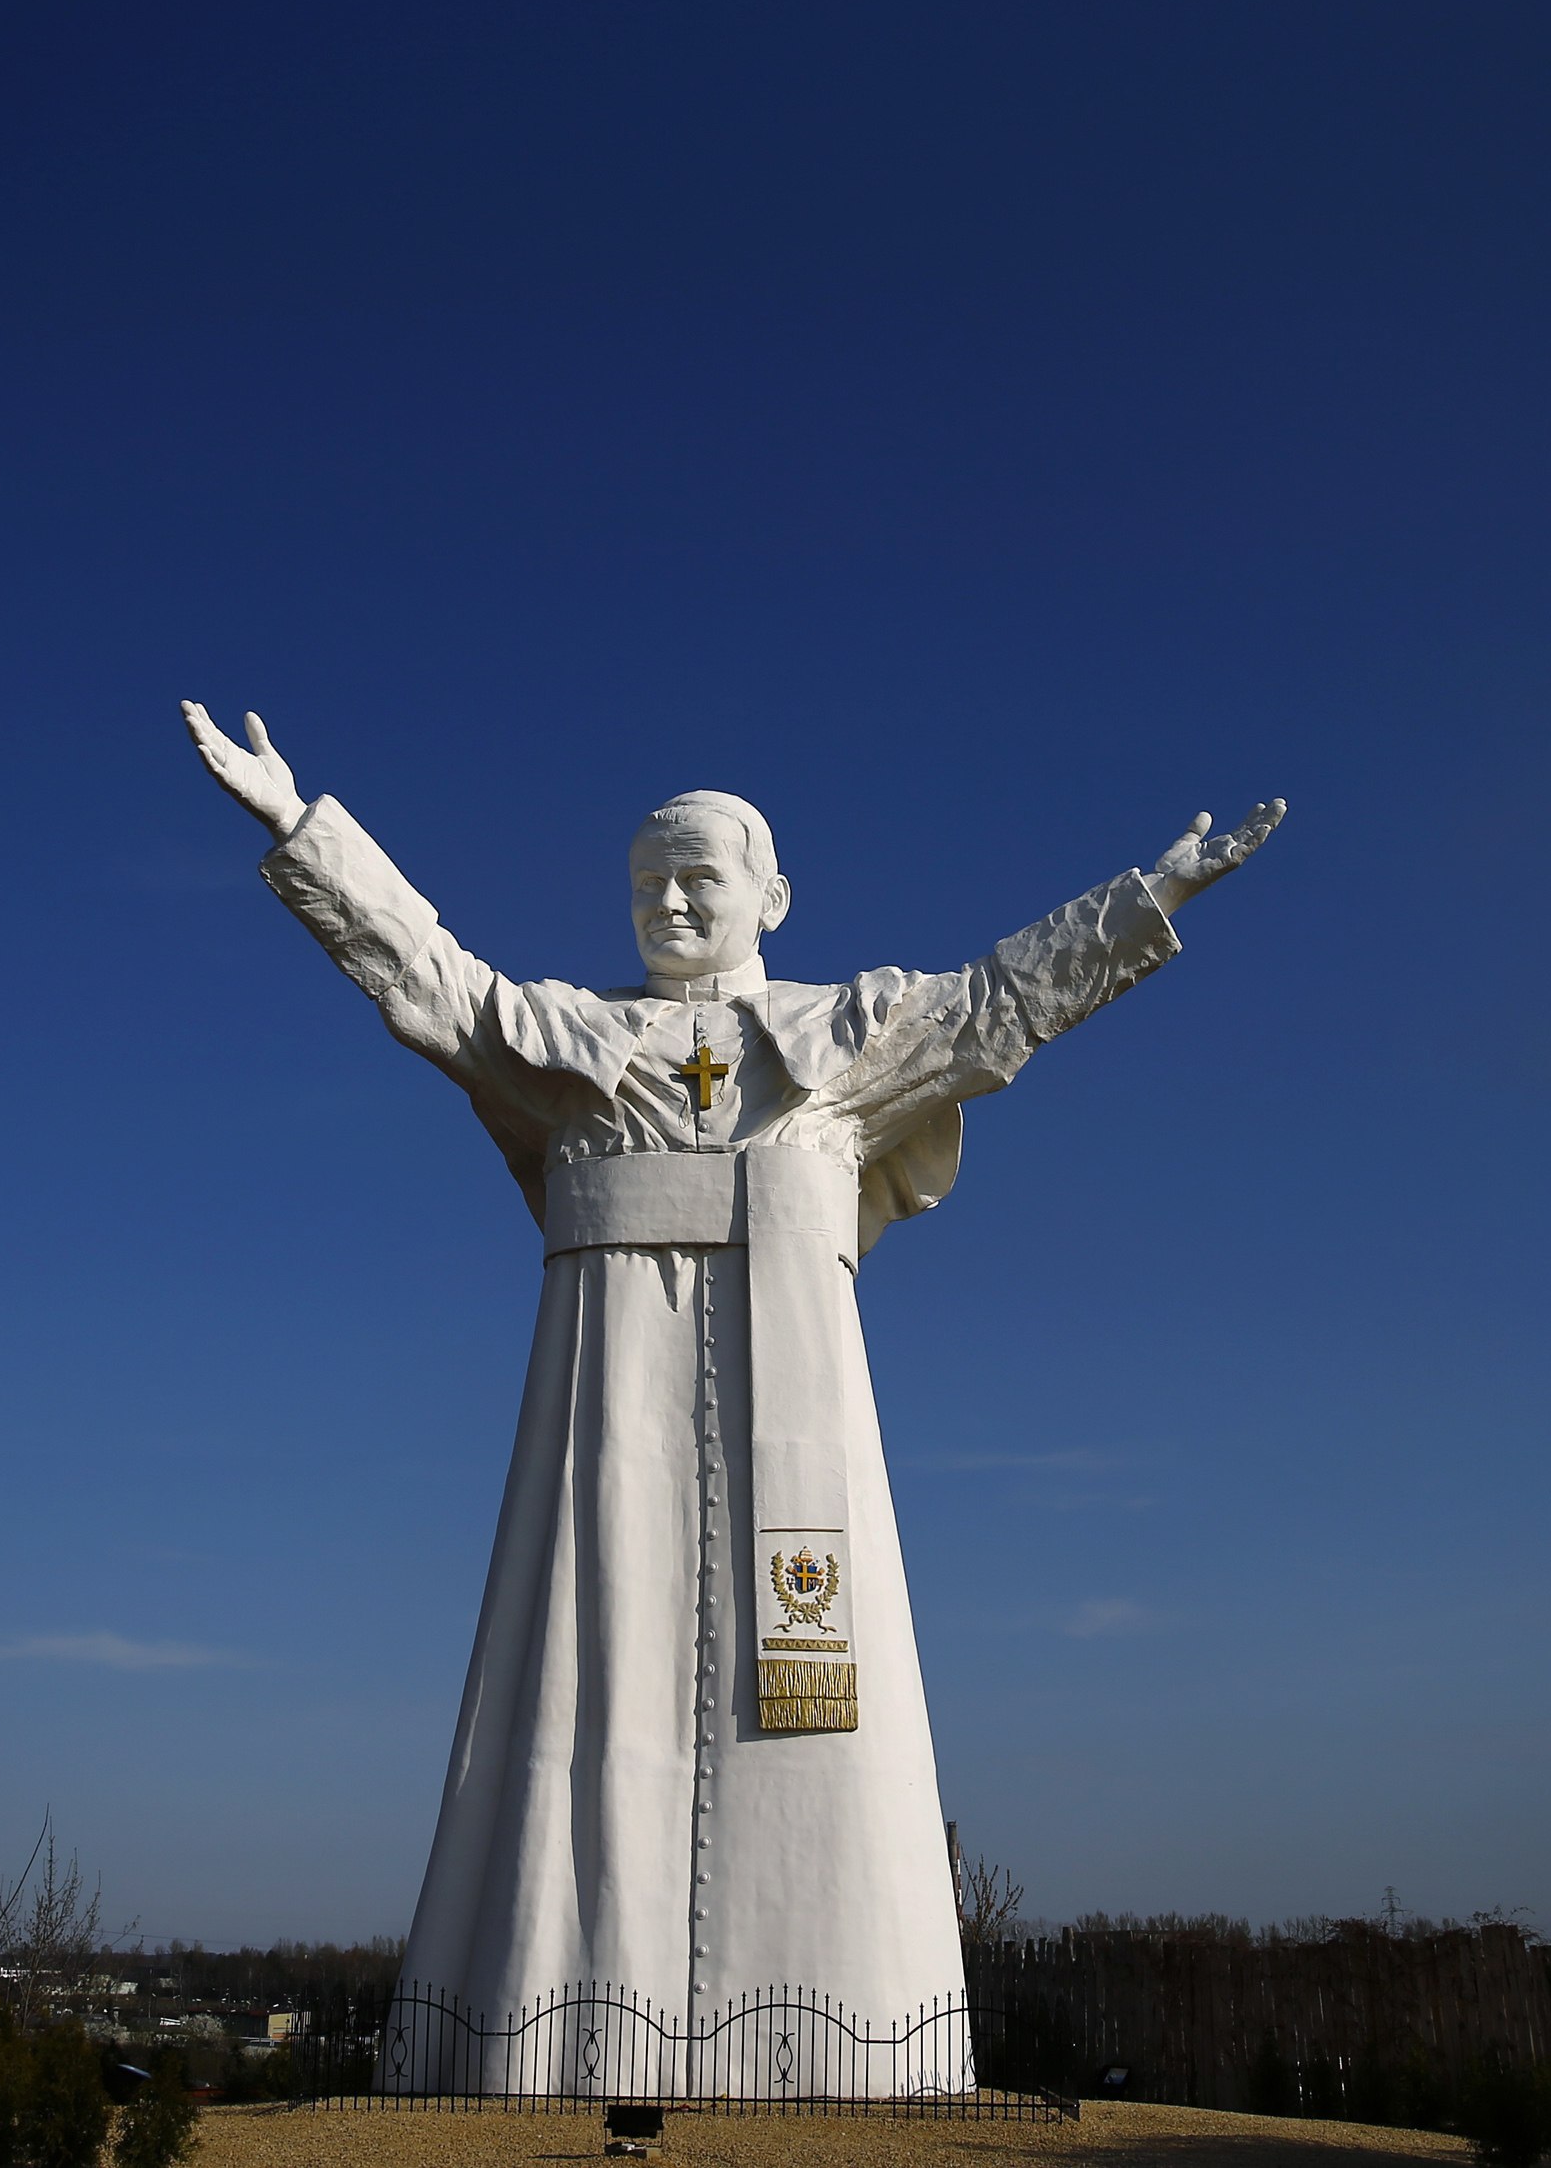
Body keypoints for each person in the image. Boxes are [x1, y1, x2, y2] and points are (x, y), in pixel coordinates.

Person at [183, 701, 1281, 2092]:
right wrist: (300, 826)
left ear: (773, 894)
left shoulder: (846, 1035)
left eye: (701, 875)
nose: (671, 900)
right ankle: (558, 2029)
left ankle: (836, 2040)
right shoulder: (573, 1037)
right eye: (648, 880)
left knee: (816, 1714)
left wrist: (1152, 895)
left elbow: (1008, 1000)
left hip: (797, 1423)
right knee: (585, 1689)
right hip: (607, 1419)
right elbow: (436, 981)